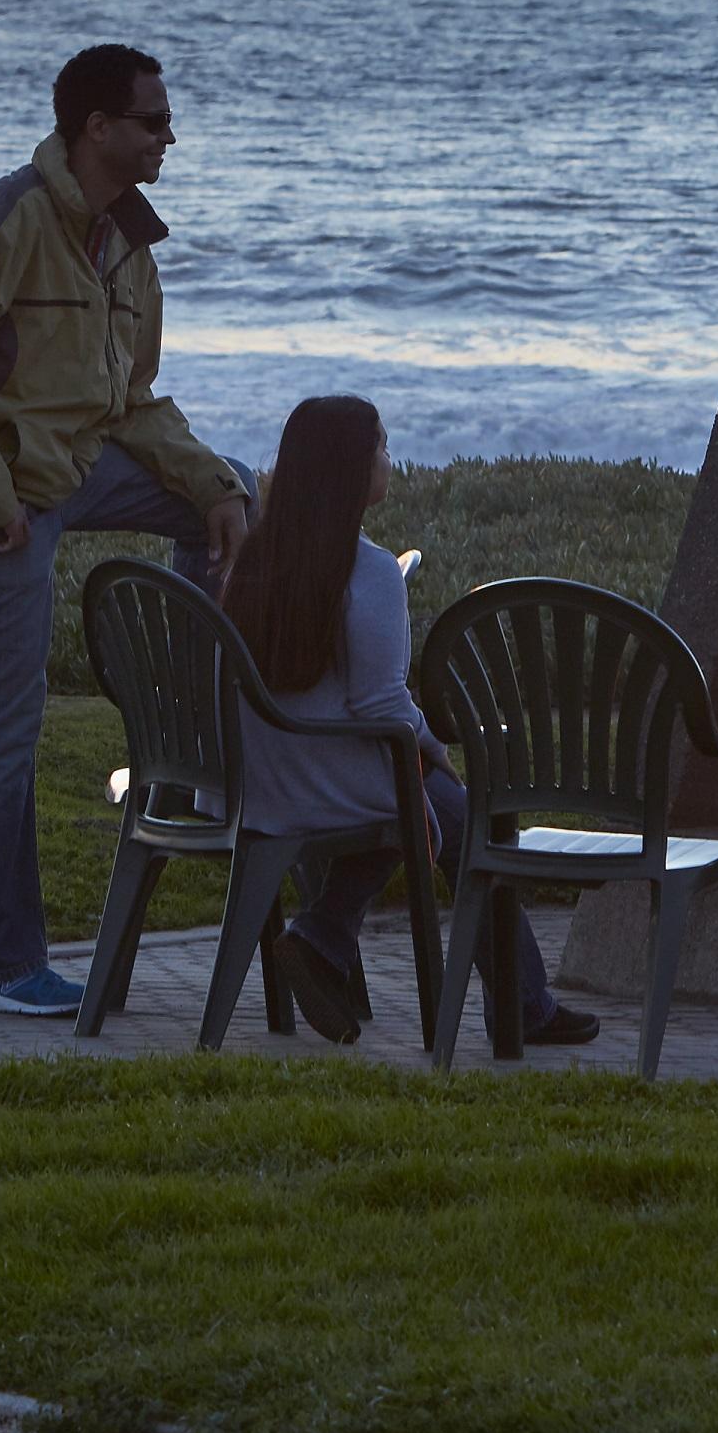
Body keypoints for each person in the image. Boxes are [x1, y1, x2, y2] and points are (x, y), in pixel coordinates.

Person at [0, 43, 252, 1018]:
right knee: (5, 730)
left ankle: (196, 732)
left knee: (237, 497)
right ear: (97, 128)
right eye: (152, 121)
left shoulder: (127, 244)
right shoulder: (6, 219)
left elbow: (130, 401)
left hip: (76, 471)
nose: (170, 136)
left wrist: (209, 486)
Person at [224, 394, 595, 1049]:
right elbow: (380, 704)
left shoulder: (255, 558)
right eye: (383, 448)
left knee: (427, 805)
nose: (390, 462)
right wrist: (432, 748)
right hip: (327, 776)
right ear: (350, 470)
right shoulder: (365, 570)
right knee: (459, 815)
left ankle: (322, 938)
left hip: (261, 777)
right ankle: (521, 1006)